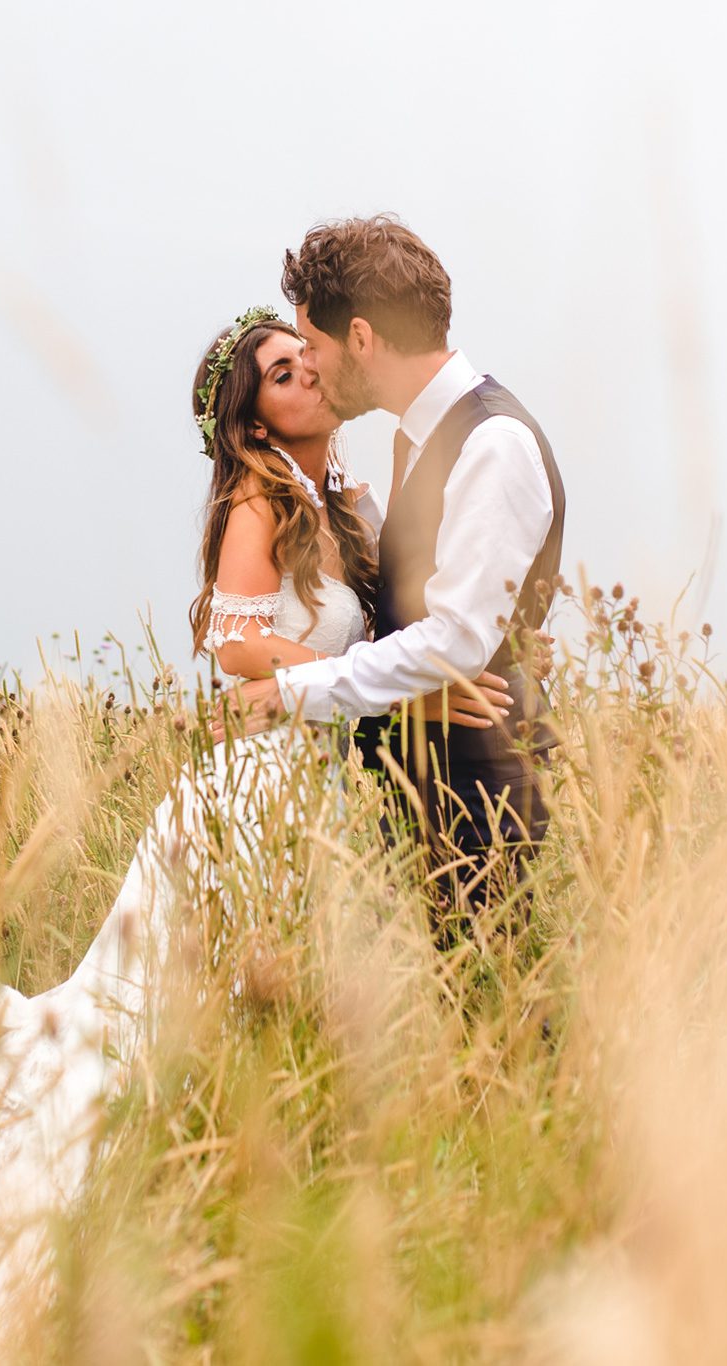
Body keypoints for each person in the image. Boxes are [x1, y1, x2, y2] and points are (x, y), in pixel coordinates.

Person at [0, 307, 506, 1307]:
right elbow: (235, 651)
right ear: (255, 420)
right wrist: (394, 681)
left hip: (322, 785)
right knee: (173, 1011)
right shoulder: (257, 505)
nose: (306, 375)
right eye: (280, 373)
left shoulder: (347, 500)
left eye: (303, 359)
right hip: (252, 793)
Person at [233, 216, 567, 929]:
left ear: (361, 337)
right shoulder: (414, 438)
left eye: (314, 346)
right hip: (418, 794)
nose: (312, 368)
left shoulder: (492, 441)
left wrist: (288, 690)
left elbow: (453, 641)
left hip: (481, 800)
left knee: (488, 1018)